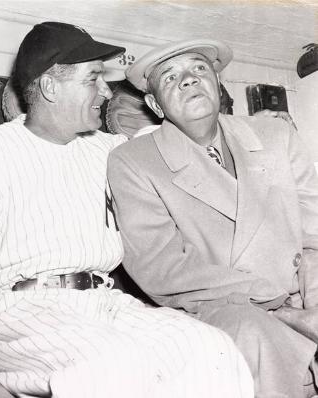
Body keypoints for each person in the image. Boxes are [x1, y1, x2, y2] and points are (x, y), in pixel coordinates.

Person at [0, 24, 254, 398]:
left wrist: (245, 130)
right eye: (94, 78)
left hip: (103, 303)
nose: (105, 90)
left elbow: (178, 141)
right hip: (19, 310)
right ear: (51, 87)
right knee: (114, 364)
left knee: (210, 347)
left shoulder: (109, 150)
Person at [107, 38, 318, 397]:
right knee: (252, 337)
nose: (189, 79)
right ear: (155, 105)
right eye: (171, 77)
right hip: (221, 305)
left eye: (199, 68)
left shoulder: (276, 135)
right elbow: (162, 267)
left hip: (303, 287)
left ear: (218, 85)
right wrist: (272, 298)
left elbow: (313, 231)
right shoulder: (133, 161)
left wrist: (311, 302)